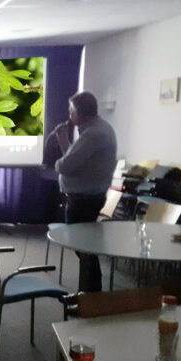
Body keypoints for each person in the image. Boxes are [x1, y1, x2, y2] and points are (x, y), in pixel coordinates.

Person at [51, 91, 118, 292]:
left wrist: (60, 156)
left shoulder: (93, 134)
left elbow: (64, 166)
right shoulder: (96, 129)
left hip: (84, 200)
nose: (69, 115)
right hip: (86, 197)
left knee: (84, 248)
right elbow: (76, 162)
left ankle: (91, 295)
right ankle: (90, 293)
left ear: (79, 113)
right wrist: (65, 145)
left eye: (71, 111)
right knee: (84, 248)